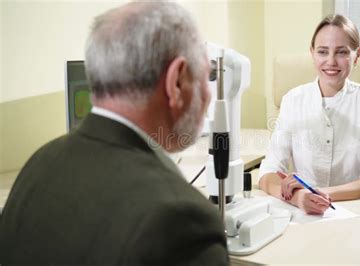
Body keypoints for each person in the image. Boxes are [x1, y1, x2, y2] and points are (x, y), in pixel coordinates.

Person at [0, 2, 229, 265]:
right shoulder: (184, 224)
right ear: (176, 82)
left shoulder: (38, 164)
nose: (209, 93)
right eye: (206, 75)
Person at [258, 14, 360, 215]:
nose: (330, 61)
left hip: (356, 212)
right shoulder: (292, 100)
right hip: (304, 212)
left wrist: (320, 193)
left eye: (341, 52)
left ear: (357, 55)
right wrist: (298, 197)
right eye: (322, 51)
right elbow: (268, 173)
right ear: (312, 53)